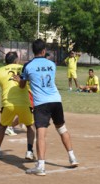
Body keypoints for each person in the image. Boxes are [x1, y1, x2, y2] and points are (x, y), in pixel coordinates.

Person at [18, 39, 79, 176]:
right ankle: (72, 157)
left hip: (41, 103)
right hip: (56, 100)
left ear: (32, 51)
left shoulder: (28, 66)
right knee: (62, 129)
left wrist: (19, 79)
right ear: (44, 51)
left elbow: (23, 85)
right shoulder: (52, 64)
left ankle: (41, 166)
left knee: (41, 134)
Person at [0, 51, 35, 161]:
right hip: (24, 103)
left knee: (2, 126)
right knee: (30, 126)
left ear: (6, 61)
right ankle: (29, 151)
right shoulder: (23, 68)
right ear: (16, 60)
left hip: (7, 104)